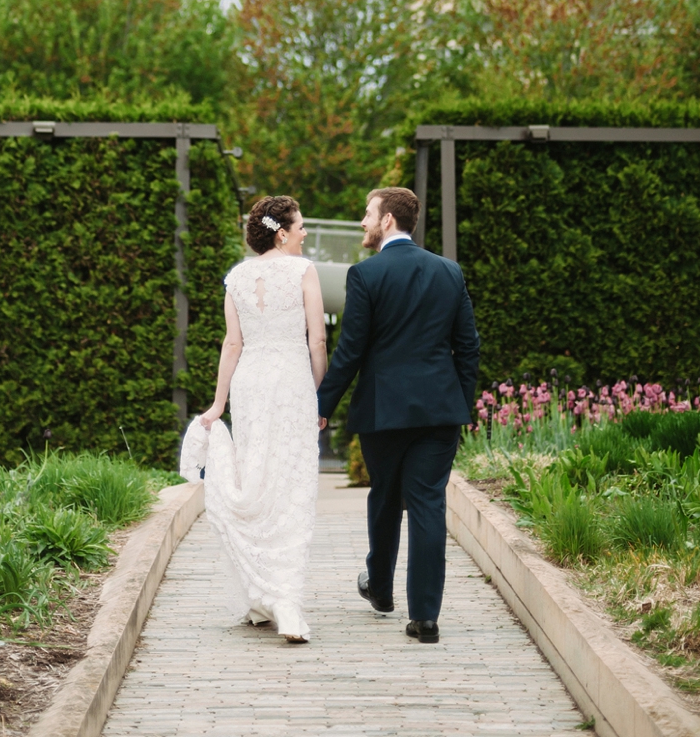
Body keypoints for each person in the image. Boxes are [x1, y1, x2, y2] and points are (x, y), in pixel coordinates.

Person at [316, 186, 480, 644]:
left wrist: (321, 406)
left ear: (388, 220)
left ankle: (382, 590)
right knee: (429, 506)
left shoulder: (365, 275)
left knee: (385, 498)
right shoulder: (449, 272)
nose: (363, 223)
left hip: (383, 411)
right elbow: (468, 346)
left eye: (368, 214)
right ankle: (425, 618)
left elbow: (350, 352)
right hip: (439, 412)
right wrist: (458, 404)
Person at [179, 195, 328, 643]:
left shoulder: (238, 277)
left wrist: (218, 403)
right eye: (300, 226)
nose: (304, 233)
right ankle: (285, 601)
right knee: (291, 488)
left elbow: (232, 344)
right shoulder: (304, 271)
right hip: (291, 384)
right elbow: (318, 340)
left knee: (257, 480)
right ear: (281, 232)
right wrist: (319, 395)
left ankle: (260, 597)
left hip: (249, 385)